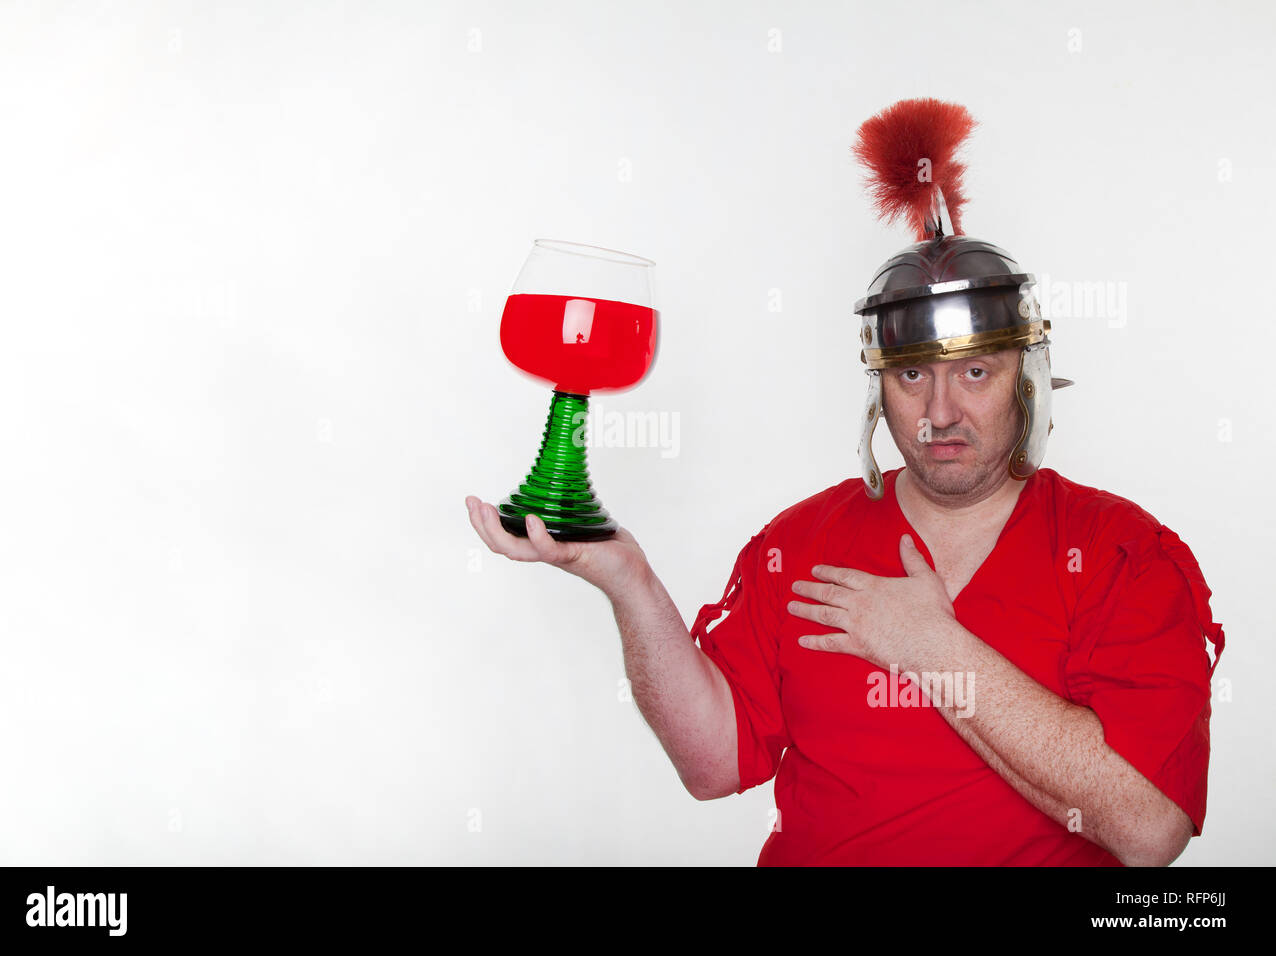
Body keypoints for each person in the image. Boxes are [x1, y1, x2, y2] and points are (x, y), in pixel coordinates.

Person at [465, 98, 1224, 865]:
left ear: (1025, 381)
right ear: (877, 388)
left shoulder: (1123, 554)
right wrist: (627, 580)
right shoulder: (795, 545)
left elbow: (1148, 828)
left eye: (974, 372)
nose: (939, 412)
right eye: (912, 376)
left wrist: (931, 647)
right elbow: (713, 763)